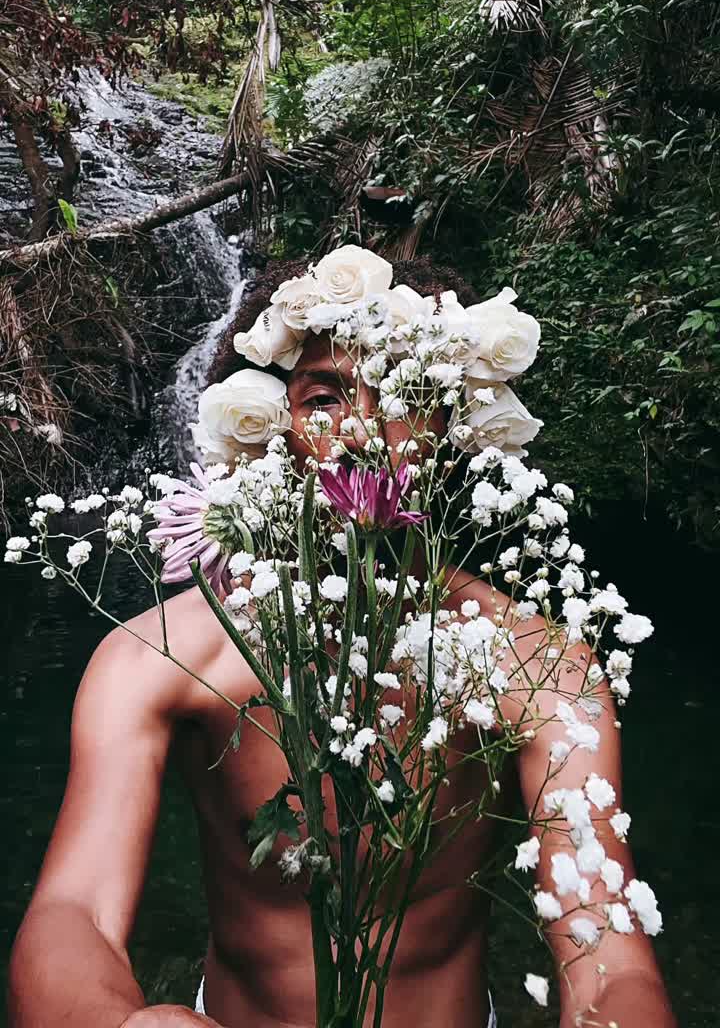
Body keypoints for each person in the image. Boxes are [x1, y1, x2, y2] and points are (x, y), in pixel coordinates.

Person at [8, 257, 676, 1028]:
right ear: (270, 425)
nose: (362, 432)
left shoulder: (537, 666)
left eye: (405, 394)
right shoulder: (161, 658)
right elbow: (73, 913)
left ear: (454, 424)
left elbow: (610, 956)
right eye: (324, 398)